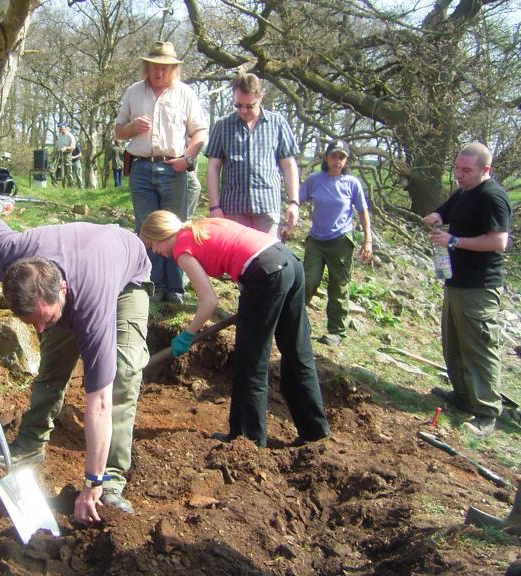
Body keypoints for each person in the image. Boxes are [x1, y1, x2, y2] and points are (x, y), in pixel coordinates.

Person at [0, 209, 151, 523]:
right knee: (53, 362)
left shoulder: (92, 305)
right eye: (31, 322)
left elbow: (101, 402)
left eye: (45, 319)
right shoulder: (6, 256)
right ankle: (30, 443)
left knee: (122, 375)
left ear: (62, 290)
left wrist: (91, 481)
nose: (39, 330)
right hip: (77, 264)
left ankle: (108, 479)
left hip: (125, 277)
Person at [139, 210, 331, 448]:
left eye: (152, 244)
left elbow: (209, 301)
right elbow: (238, 247)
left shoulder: (182, 248)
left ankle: (246, 439)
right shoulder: (202, 224)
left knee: (251, 360)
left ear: (162, 235)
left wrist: (187, 335)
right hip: (288, 261)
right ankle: (315, 430)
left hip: (265, 272)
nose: (155, 251)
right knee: (296, 351)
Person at [424, 142, 512, 437]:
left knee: (480, 348)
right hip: (455, 280)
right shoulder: (464, 191)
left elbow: (499, 241)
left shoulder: (493, 197)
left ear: (485, 170)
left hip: (480, 286)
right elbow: (445, 210)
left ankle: (486, 411)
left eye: (466, 170)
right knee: (454, 343)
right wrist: (437, 216)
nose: (459, 174)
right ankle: (462, 395)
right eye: (457, 168)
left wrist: (454, 241)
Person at [115, 41, 208, 304]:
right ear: (147, 67)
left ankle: (175, 288)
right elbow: (118, 131)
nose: (159, 73)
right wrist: (132, 127)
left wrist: (187, 158)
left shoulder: (185, 94)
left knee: (176, 228)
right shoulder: (134, 92)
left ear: (173, 69)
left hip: (173, 168)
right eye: (155, 67)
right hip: (142, 167)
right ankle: (152, 285)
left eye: (165, 68)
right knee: (147, 229)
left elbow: (200, 132)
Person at [206, 72, 300, 238]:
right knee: (236, 261)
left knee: (268, 260)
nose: (243, 110)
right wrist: (214, 207)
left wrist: (293, 203)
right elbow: (213, 167)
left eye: (249, 106)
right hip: (233, 209)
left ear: (261, 97)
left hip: (267, 207)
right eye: (238, 105)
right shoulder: (222, 125)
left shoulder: (277, 123)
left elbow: (289, 165)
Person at [299, 140, 373, 346]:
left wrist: (368, 240)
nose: (337, 161)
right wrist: (287, 223)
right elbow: (297, 201)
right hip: (316, 240)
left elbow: (362, 212)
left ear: (346, 160)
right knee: (308, 280)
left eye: (341, 157)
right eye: (333, 156)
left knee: (338, 286)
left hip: (340, 241)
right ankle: (298, 323)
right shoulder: (315, 180)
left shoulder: (352, 183)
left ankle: (336, 331)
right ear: (326, 157)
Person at [55, 123, 77, 188]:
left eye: (61, 128)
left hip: (67, 154)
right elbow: (57, 146)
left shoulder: (70, 135)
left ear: (65, 128)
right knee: (62, 172)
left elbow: (73, 147)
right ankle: (63, 187)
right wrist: (54, 154)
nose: (60, 129)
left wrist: (66, 148)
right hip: (60, 155)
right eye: (59, 128)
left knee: (68, 171)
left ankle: (70, 187)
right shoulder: (60, 135)